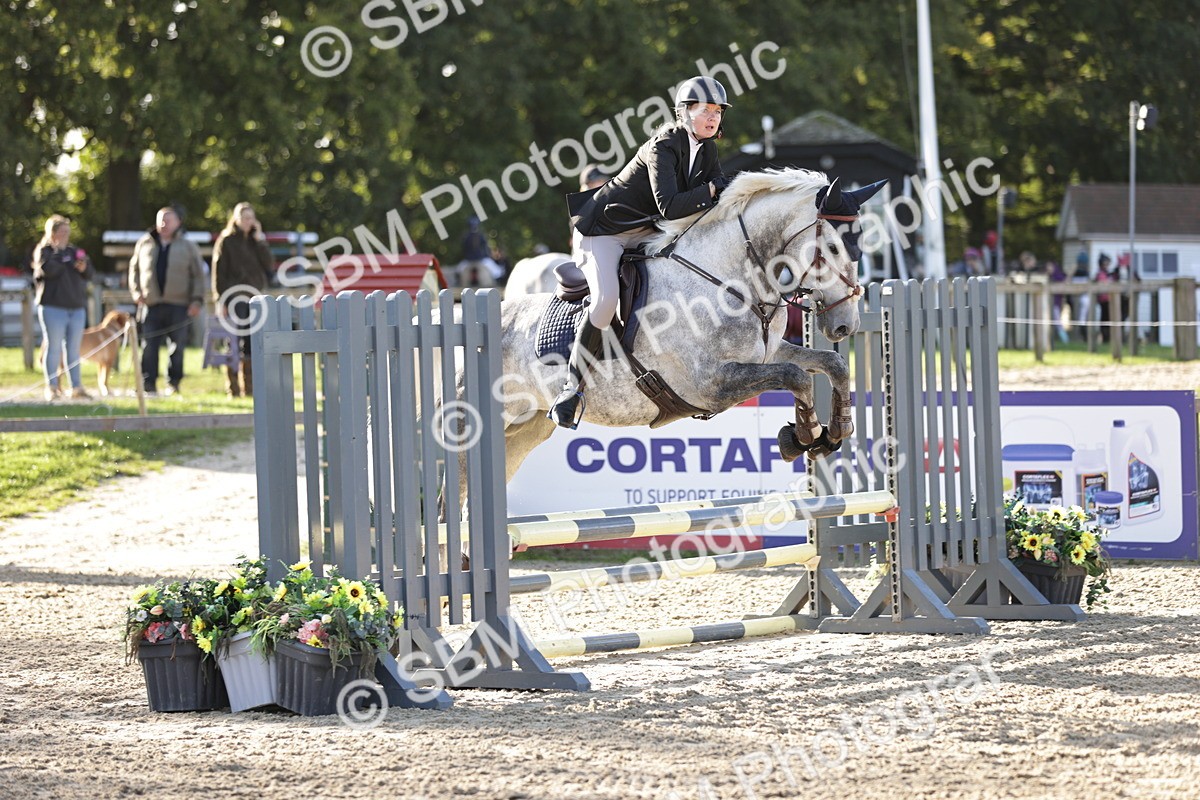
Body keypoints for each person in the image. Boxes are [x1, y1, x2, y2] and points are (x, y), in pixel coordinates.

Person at [549, 75, 730, 428]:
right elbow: (670, 206)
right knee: (605, 301)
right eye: (705, 110)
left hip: (646, 233)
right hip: (602, 231)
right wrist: (712, 190)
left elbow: (719, 190)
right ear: (684, 112)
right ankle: (570, 390)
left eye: (718, 111)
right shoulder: (664, 144)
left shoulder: (707, 148)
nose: (713, 117)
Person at [129, 206, 207, 396]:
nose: (164, 224)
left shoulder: (188, 246)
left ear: (178, 222)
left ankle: (174, 383)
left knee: (177, 346)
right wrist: (136, 292)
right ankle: (148, 384)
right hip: (151, 304)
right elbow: (134, 270)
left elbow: (198, 276)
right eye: (161, 220)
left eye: (168, 220)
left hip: (179, 304)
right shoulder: (145, 243)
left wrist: (196, 301)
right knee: (148, 346)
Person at [211, 202, 274, 397]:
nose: (248, 222)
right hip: (234, 298)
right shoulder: (227, 240)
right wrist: (221, 300)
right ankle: (233, 388)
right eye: (245, 218)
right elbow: (218, 273)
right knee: (233, 342)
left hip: (255, 298)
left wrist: (261, 240)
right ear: (236, 219)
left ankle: (250, 388)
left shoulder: (256, 241)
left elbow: (269, 265)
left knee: (252, 342)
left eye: (251, 218)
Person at [32, 214, 94, 400]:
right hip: (53, 307)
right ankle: (51, 387)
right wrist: (59, 254)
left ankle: (76, 387)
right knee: (53, 347)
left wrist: (84, 268)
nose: (66, 235)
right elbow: (49, 271)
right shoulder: (44, 252)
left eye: (67, 231)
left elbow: (90, 273)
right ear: (52, 233)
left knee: (74, 349)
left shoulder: (75, 251)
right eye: (62, 232)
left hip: (76, 307)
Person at [455, 215, 502, 288]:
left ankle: (458, 282)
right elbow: (485, 248)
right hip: (476, 260)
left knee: (459, 270)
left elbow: (463, 249)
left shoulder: (466, 236)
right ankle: (497, 282)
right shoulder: (479, 236)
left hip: (472, 260)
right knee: (496, 271)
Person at [1094, 253, 1114, 343]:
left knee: (1109, 319)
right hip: (1104, 300)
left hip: (1109, 300)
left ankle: (1108, 338)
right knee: (1104, 319)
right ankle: (1105, 338)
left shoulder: (1108, 274)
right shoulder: (1100, 274)